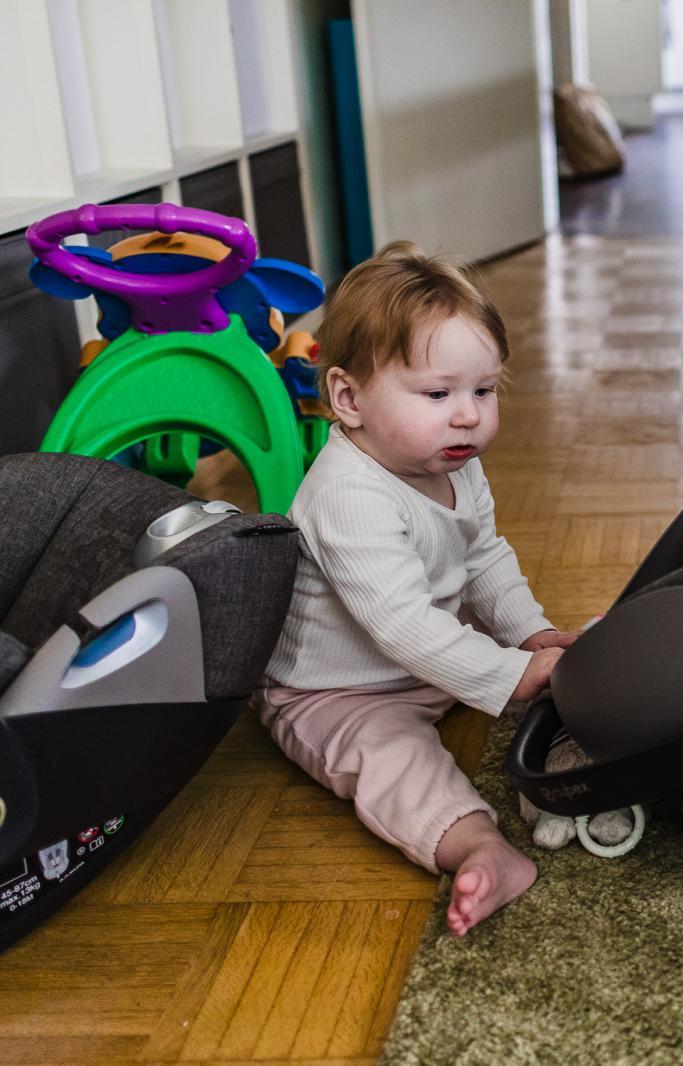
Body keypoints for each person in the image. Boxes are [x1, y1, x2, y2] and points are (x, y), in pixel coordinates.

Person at [257, 242, 577, 936]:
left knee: (532, 653)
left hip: (427, 649)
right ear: (349, 399)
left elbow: (483, 556)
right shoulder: (348, 494)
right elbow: (401, 625)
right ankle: (478, 846)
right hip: (338, 690)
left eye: (483, 391)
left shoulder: (452, 461)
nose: (467, 416)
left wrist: (531, 635)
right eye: (438, 394)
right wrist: (509, 675)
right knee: (393, 759)